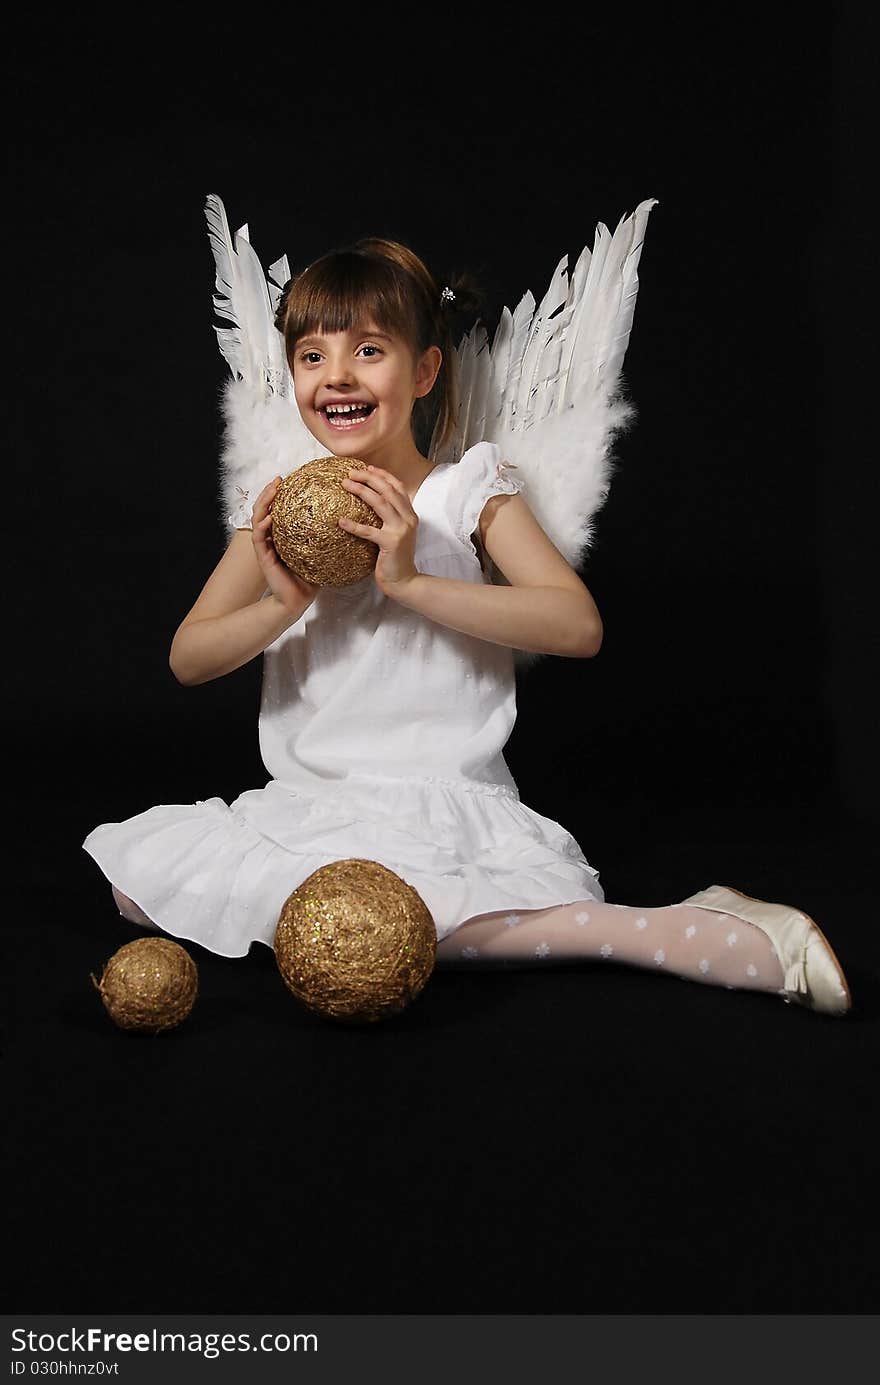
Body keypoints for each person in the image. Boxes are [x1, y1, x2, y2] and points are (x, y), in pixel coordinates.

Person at [82, 231, 851, 1017]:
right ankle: (481, 929)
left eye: (368, 350)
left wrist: (411, 581)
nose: (336, 375)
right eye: (312, 356)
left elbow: (576, 625)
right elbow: (187, 657)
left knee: (415, 921)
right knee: (139, 889)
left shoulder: (465, 491)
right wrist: (285, 602)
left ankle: (652, 930)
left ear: (423, 371)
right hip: (311, 801)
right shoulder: (278, 508)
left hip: (440, 800)